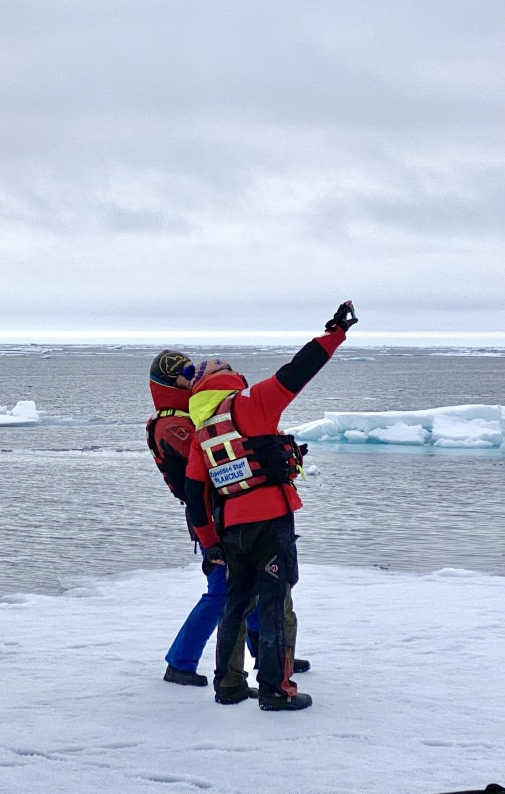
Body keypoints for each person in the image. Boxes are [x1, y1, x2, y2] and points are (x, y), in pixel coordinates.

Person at [183, 301, 357, 711]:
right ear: (229, 381)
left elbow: (195, 497)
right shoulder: (253, 403)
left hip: (230, 533)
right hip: (271, 524)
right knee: (275, 603)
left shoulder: (201, 435)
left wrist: (210, 545)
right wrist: (335, 332)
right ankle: (277, 690)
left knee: (235, 604)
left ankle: (227, 686)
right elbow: (298, 371)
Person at [146, 350, 254, 691]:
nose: (192, 379)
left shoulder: (187, 417)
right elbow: (208, 457)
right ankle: (181, 662)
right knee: (222, 591)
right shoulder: (173, 424)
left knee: (252, 582)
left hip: (224, 511)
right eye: (185, 374)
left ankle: (271, 653)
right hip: (211, 516)